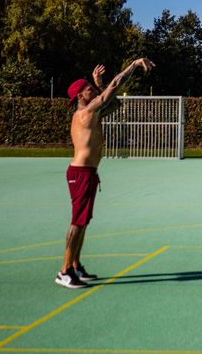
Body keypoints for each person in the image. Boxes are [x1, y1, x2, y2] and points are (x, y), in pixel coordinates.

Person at [56, 58, 155, 289]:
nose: (93, 90)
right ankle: (64, 271)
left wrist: (99, 84)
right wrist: (134, 64)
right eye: (89, 89)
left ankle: (76, 265)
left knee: (83, 222)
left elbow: (114, 105)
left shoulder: (94, 112)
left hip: (88, 172)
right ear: (80, 96)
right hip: (80, 173)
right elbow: (113, 88)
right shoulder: (84, 113)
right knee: (77, 223)